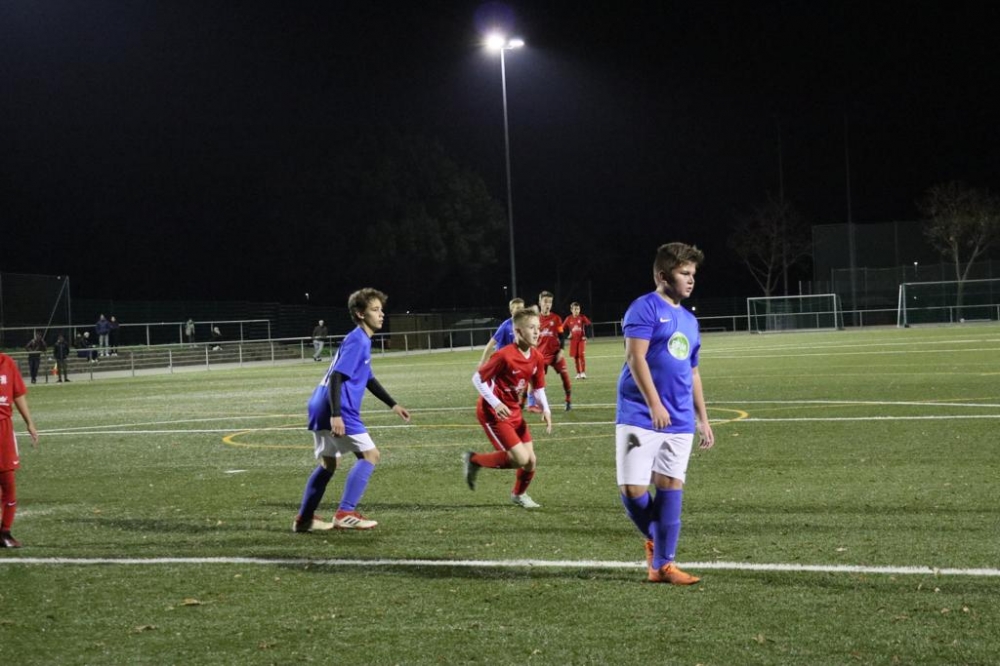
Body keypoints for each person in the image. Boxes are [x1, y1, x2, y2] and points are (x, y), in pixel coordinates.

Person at [616, 242, 716, 585]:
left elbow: (693, 372)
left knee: (671, 485)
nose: (691, 279)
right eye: (684, 273)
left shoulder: (689, 320)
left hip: (680, 418)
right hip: (639, 413)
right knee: (632, 489)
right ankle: (658, 545)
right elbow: (635, 357)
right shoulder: (643, 308)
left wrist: (703, 418)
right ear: (663, 275)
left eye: (693, 274)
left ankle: (663, 566)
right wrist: (654, 403)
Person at [293, 288, 411, 533]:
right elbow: (337, 376)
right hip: (338, 406)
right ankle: (345, 513)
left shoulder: (358, 339)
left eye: (381, 310)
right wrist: (336, 414)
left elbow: (368, 378)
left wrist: (393, 404)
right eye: (375, 310)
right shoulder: (358, 340)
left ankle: (305, 519)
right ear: (360, 314)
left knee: (329, 464)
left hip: (318, 403)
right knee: (371, 456)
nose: (381, 314)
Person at [463, 308, 552, 509]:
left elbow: (538, 388)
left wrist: (546, 410)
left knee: (531, 461)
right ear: (518, 331)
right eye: (531, 327)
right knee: (520, 458)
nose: (537, 332)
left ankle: (518, 495)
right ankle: (474, 460)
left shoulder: (537, 357)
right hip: (493, 413)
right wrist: (495, 402)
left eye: (538, 327)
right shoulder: (504, 355)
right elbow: (477, 378)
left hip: (514, 412)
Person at [0, 351, 40, 548]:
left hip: (4, 430)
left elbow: (18, 394)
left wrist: (29, 422)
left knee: (8, 484)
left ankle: (5, 532)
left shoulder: (7, 362)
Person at [530, 290, 572, 411]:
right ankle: (531, 403)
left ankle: (568, 400)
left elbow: (561, 336)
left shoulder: (556, 319)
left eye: (550, 302)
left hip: (555, 354)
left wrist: (561, 350)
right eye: (545, 301)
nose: (547, 304)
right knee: (537, 381)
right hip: (541, 356)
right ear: (540, 302)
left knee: (565, 376)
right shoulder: (535, 319)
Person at [477, 298, 525, 366]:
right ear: (511, 311)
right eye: (518, 308)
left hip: (514, 362)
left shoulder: (524, 325)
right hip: (502, 362)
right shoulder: (505, 326)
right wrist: (482, 363)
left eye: (522, 308)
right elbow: (490, 344)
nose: (521, 311)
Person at [564, 302, 593, 379]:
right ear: (571, 310)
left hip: (581, 340)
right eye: (575, 309)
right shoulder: (568, 318)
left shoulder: (582, 317)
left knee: (581, 354)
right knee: (575, 357)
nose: (576, 311)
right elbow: (562, 328)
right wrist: (567, 335)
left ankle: (583, 373)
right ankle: (578, 373)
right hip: (573, 341)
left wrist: (586, 336)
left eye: (578, 309)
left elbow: (589, 325)